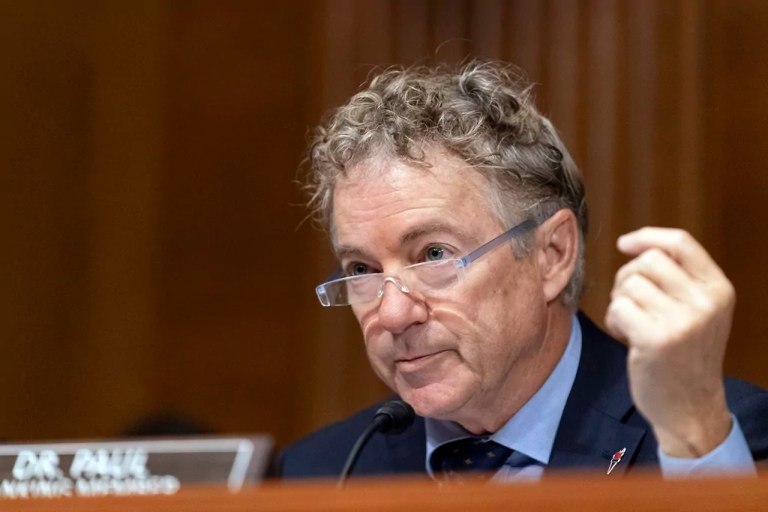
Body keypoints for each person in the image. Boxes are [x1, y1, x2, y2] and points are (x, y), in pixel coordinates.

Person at [276, 61, 768, 481]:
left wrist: (692, 432)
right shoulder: (321, 472)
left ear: (551, 254)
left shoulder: (714, 438)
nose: (395, 312)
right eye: (361, 267)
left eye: (433, 255)